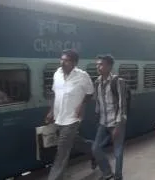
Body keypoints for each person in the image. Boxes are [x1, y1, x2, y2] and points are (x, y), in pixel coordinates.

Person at [46, 49, 94, 180]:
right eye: (61, 59)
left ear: (74, 62)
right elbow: (55, 94)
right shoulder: (57, 74)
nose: (62, 62)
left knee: (62, 151)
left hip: (72, 118)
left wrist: (81, 105)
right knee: (76, 142)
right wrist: (51, 111)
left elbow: (90, 93)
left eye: (66, 60)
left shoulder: (82, 76)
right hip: (58, 117)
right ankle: (95, 151)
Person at [92, 55, 127, 180]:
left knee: (117, 151)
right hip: (103, 122)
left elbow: (122, 104)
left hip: (116, 121)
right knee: (95, 148)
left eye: (101, 64)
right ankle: (107, 172)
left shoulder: (117, 81)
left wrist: (118, 125)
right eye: (97, 64)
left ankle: (118, 176)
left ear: (109, 66)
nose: (98, 67)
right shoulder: (97, 82)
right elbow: (98, 102)